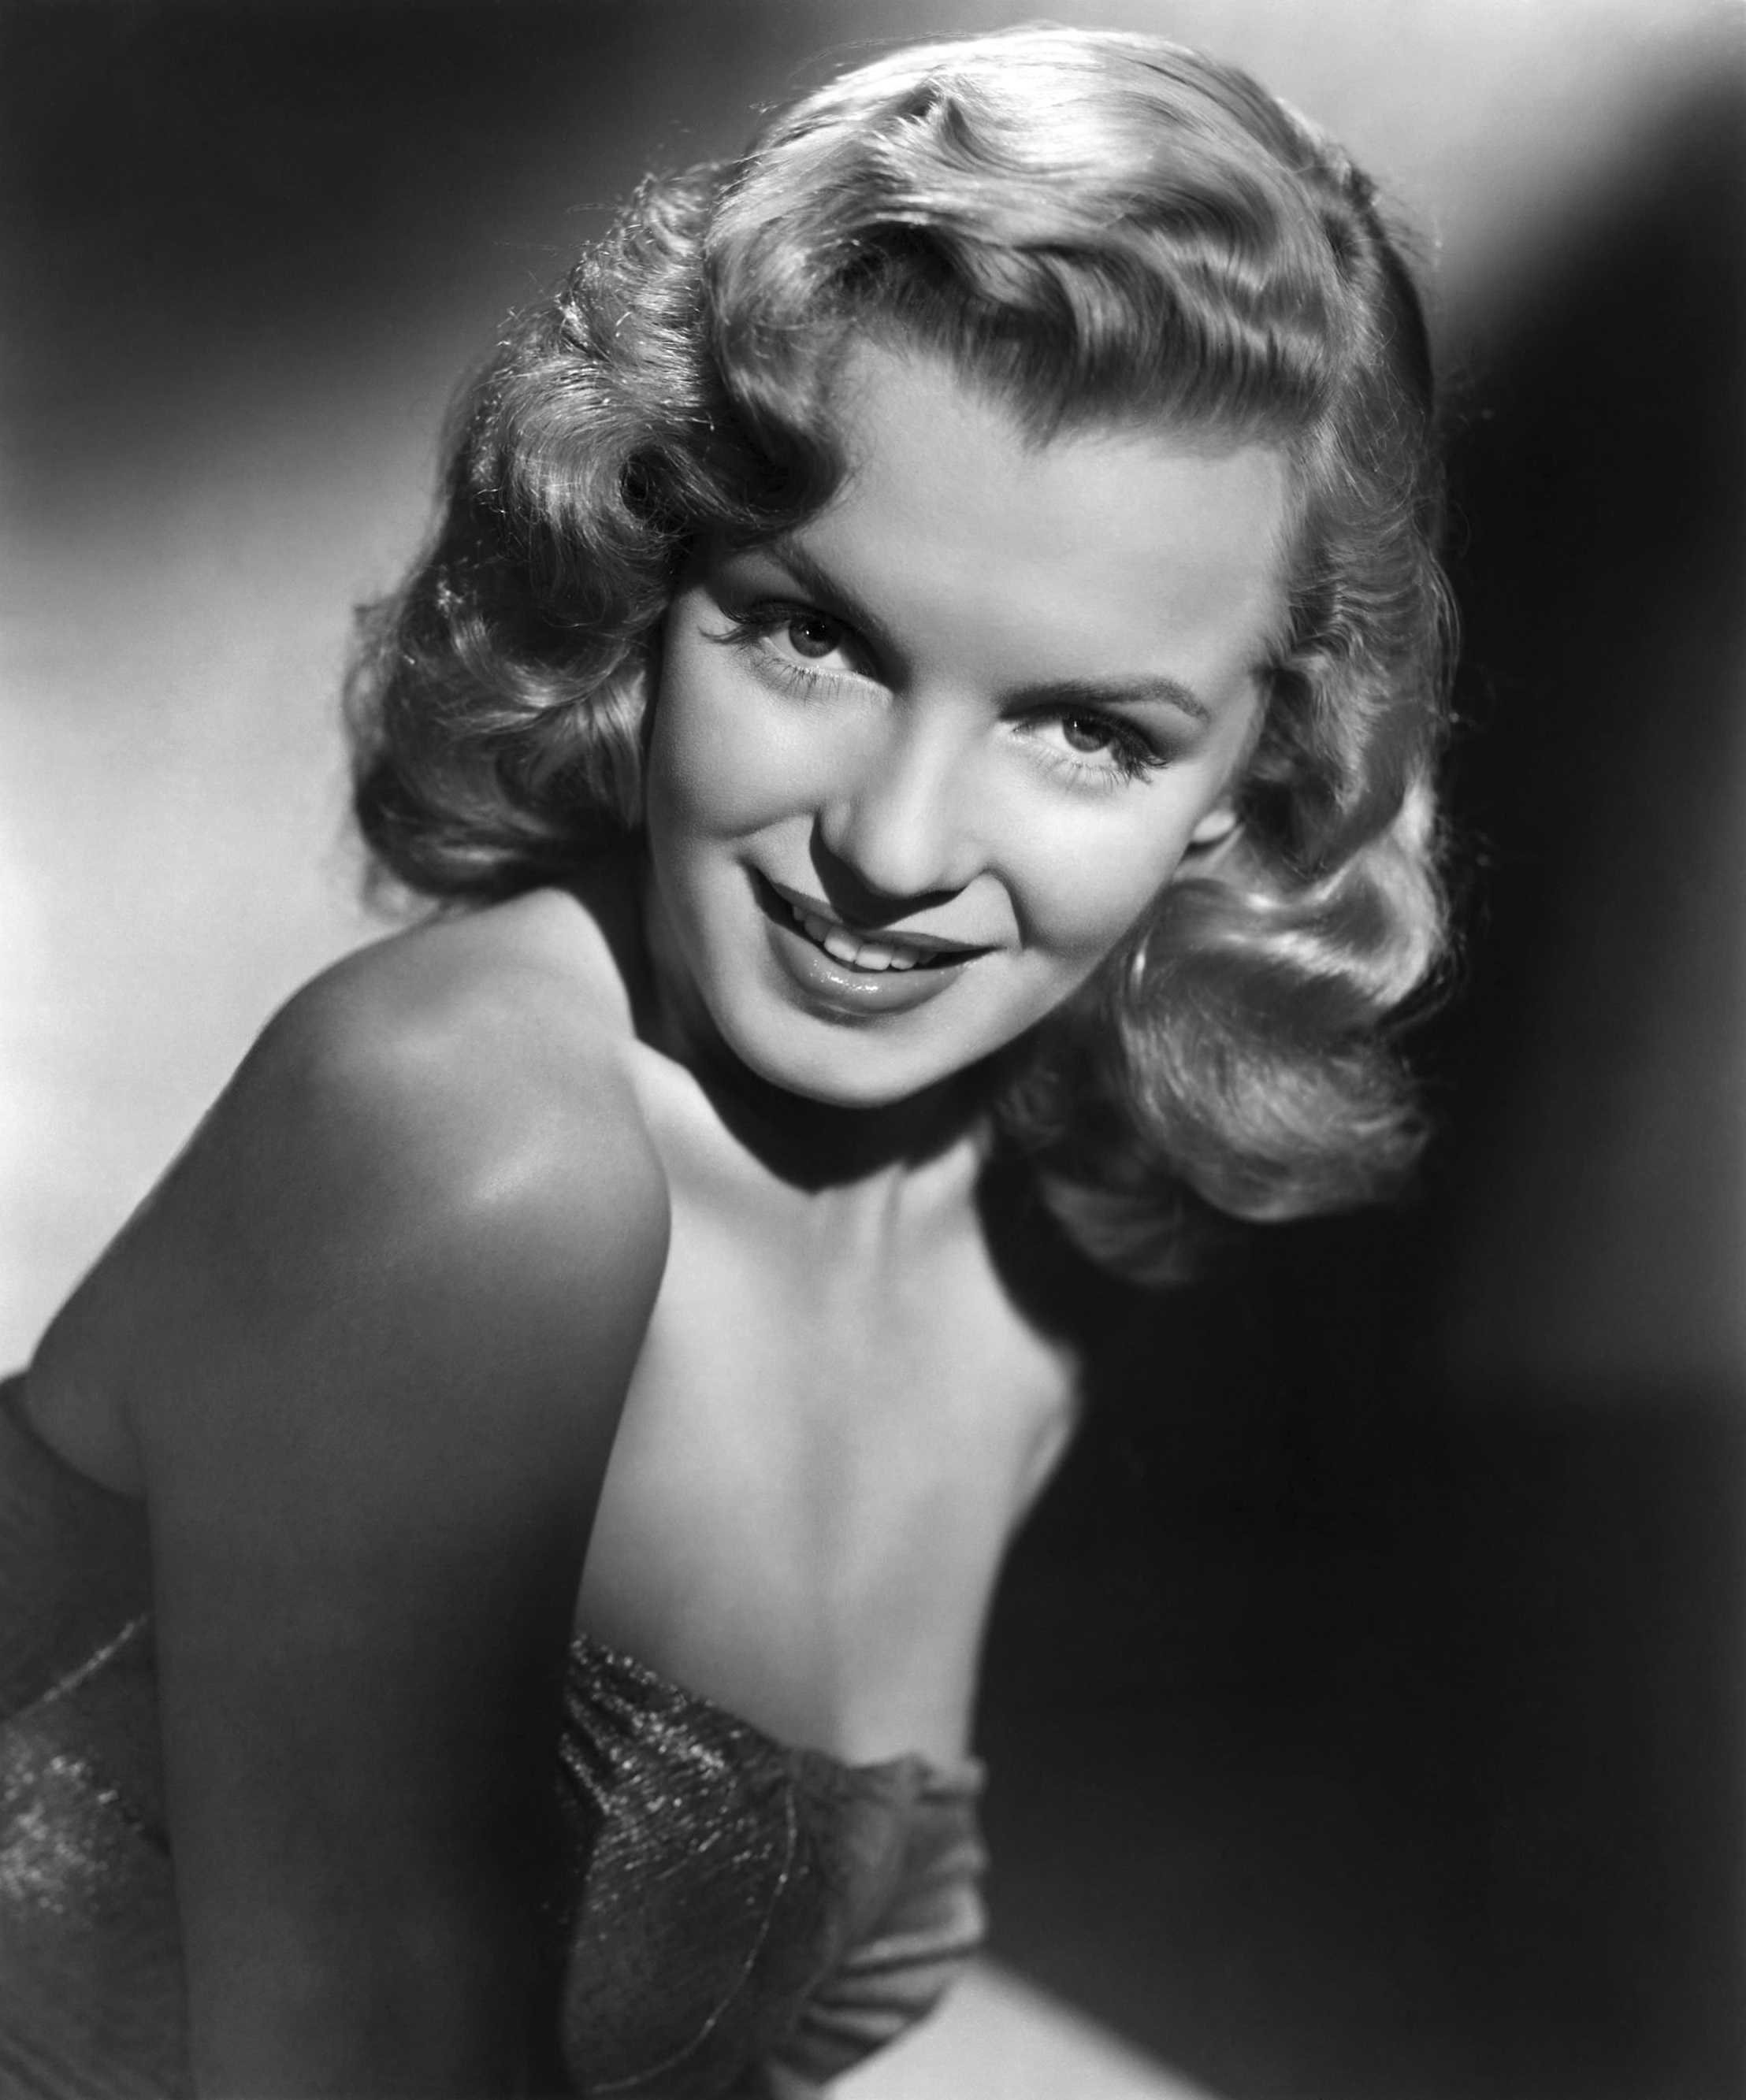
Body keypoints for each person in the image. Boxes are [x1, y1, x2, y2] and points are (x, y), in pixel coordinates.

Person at [0, 24, 1451, 2098]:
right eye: (813, 633)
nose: (896, 847)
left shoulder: (1015, 1234)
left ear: (1252, 770)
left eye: (1087, 729)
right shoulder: (465, 1153)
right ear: (653, 565)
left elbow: (816, 2040)